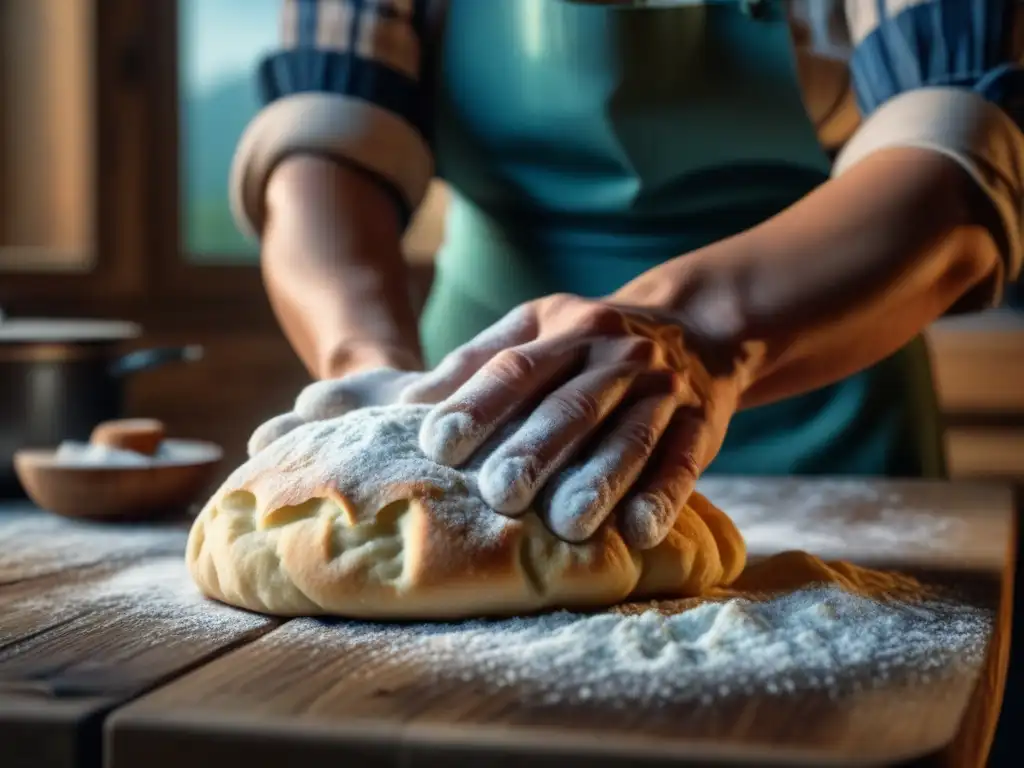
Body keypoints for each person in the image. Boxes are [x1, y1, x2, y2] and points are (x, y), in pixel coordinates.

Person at [234, 0, 1023, 551]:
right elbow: (326, 146)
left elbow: (954, 160)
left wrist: (700, 334)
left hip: (822, 390)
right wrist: (374, 378)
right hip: (482, 416)